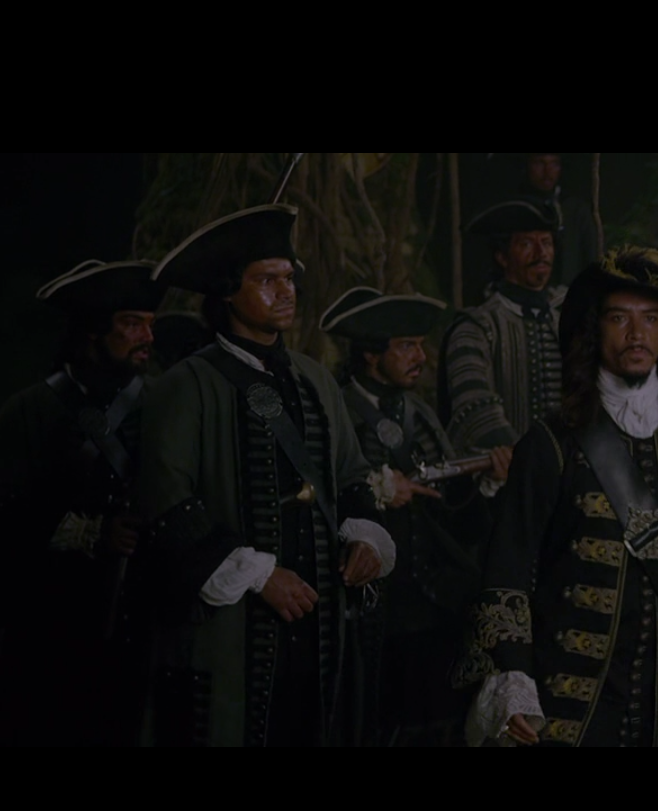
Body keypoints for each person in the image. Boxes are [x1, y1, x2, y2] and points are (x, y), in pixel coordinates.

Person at [461, 245, 658, 747]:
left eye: (650, 319)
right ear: (595, 332)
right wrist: (512, 673)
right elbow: (509, 568)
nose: (637, 334)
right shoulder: (551, 444)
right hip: (573, 704)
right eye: (619, 318)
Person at [138, 204, 396, 747]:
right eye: (266, 280)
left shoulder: (315, 380)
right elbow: (167, 506)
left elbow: (352, 477)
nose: (286, 291)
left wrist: (365, 538)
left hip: (319, 633)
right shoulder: (185, 386)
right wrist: (259, 576)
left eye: (289, 278)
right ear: (228, 292)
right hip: (233, 636)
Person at [0, 260, 162, 745]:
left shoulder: (164, 407)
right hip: (47, 622)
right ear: (93, 330)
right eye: (131, 323)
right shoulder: (29, 410)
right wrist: (92, 533)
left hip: (141, 627)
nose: (147, 337)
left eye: (150, 324)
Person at [321, 286, 508, 746]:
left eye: (420, 345)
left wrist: (486, 482)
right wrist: (379, 490)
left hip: (435, 607)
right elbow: (323, 499)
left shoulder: (420, 415)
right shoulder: (335, 411)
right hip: (370, 614)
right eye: (406, 346)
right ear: (371, 354)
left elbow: (455, 518)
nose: (420, 357)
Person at [437, 197, 565, 459]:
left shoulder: (568, 321)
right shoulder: (476, 328)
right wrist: (524, 460)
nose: (541, 253)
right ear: (502, 257)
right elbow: (475, 408)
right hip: (504, 474)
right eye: (527, 244)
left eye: (547, 242)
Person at [517, 152, 600, 286]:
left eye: (554, 164)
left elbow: (591, 258)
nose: (547, 171)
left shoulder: (575, 210)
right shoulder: (516, 209)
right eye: (539, 163)